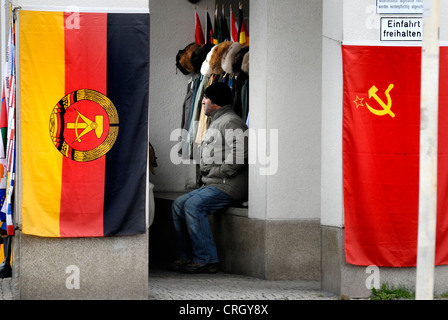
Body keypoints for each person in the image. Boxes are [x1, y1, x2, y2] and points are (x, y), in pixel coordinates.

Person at [170, 82, 248, 274]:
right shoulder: (217, 120)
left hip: (227, 185)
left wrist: (220, 172)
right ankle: (186, 256)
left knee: (192, 206)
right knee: (178, 204)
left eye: (205, 98)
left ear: (216, 101)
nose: (202, 101)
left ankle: (206, 259)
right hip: (214, 183)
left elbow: (240, 154)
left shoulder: (230, 121)